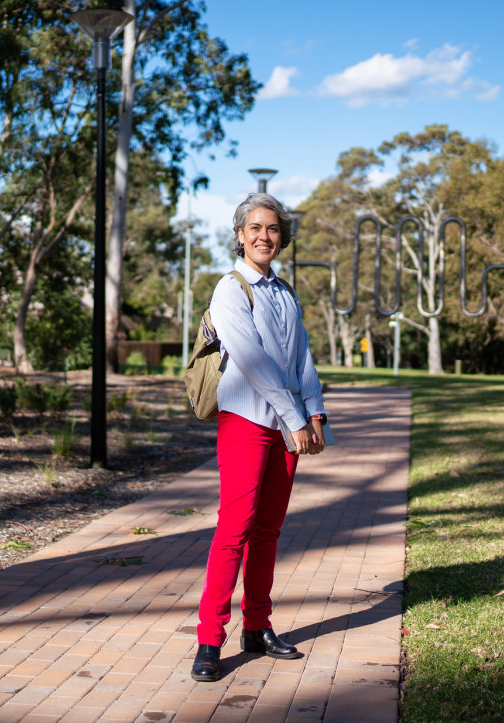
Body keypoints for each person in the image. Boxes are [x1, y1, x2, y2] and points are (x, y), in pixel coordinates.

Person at [191, 192, 329, 682]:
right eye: (254, 227)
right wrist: (294, 417)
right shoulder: (231, 289)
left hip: (286, 428)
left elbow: (300, 361)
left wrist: (315, 413)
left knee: (268, 532)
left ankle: (258, 627)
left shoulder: (286, 293)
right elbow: (253, 362)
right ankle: (210, 640)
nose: (263, 236)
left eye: (271, 228)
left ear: (281, 237)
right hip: (247, 423)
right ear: (239, 234)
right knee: (234, 531)